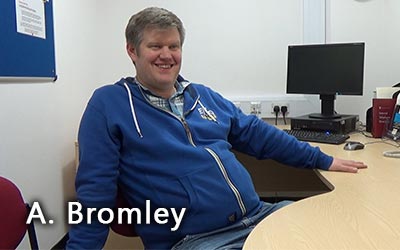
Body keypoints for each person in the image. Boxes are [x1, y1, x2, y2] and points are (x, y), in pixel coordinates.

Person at [66, 7, 367, 250]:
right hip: (195, 240)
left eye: (174, 46)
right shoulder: (109, 104)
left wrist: (322, 159)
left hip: (258, 215)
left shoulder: (202, 96)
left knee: (342, 230)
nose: (166, 54)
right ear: (132, 51)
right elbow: (95, 193)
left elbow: (258, 134)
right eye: (155, 46)